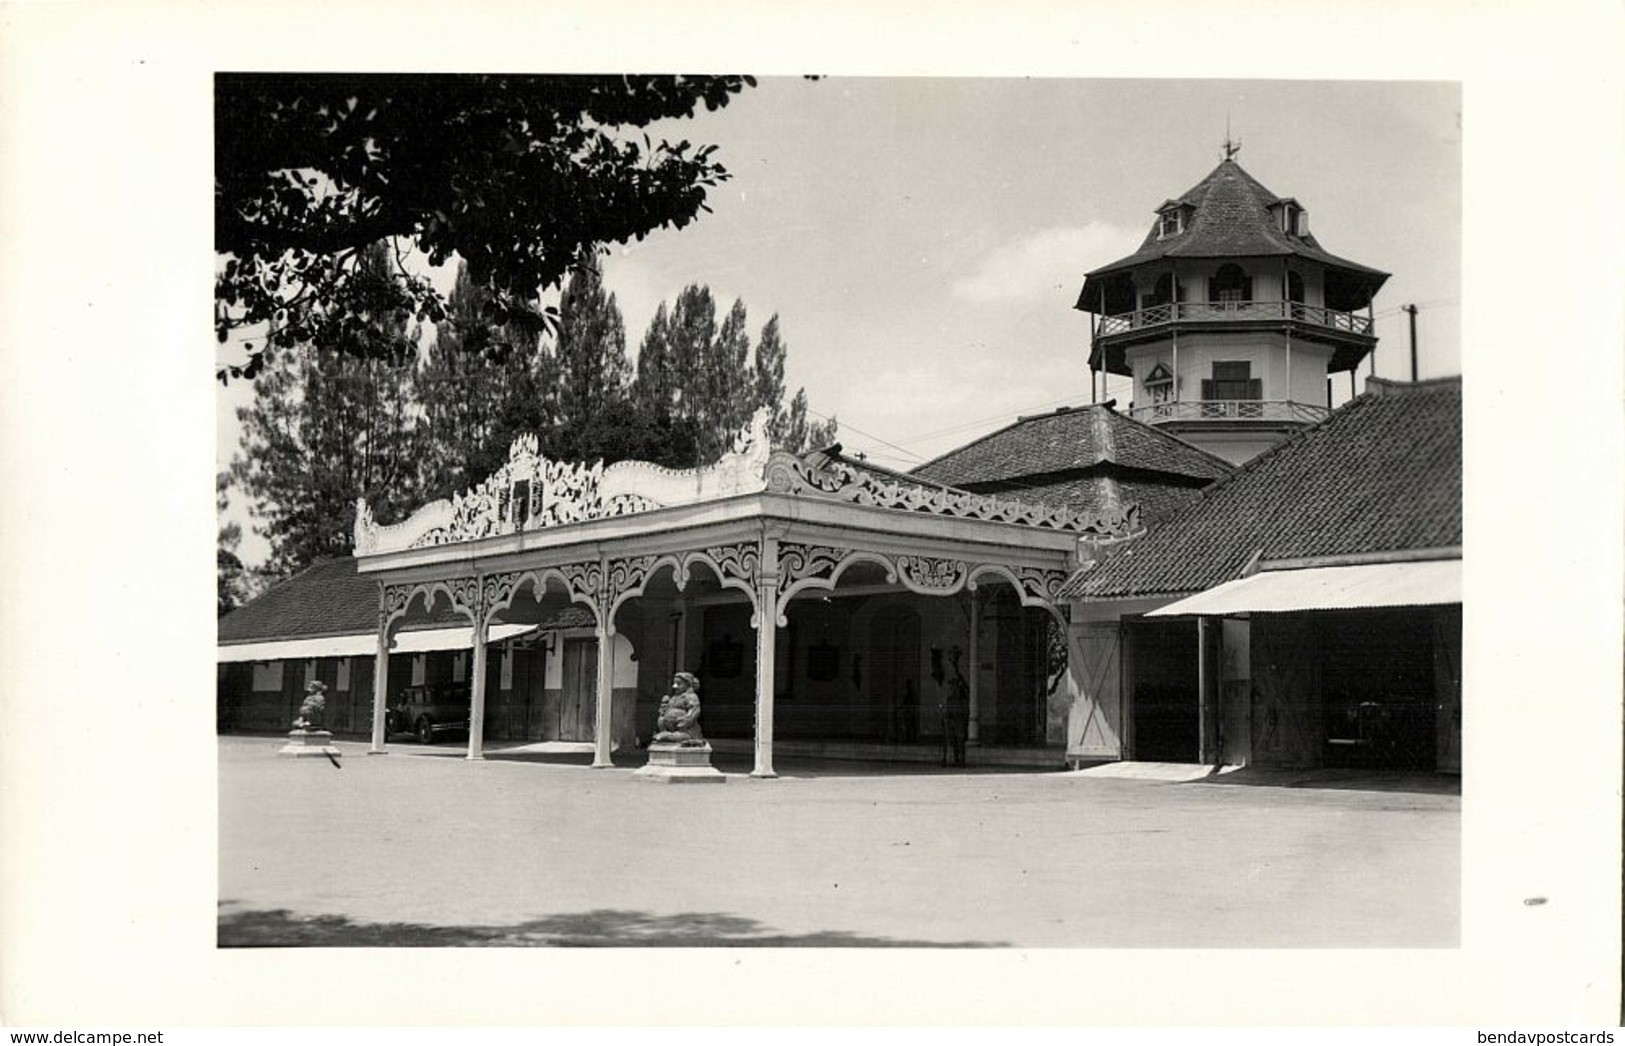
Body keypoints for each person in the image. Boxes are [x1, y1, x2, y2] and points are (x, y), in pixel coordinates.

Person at [653, 672, 705, 746]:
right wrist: (664, 710)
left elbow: (694, 710)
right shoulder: (674, 697)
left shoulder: (691, 696)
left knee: (679, 736)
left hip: (685, 730)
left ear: (687, 684)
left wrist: (685, 720)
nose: (674, 686)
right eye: (674, 683)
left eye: (678, 683)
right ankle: (666, 733)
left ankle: (668, 736)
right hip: (670, 727)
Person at [939, 648, 969, 767]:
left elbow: (965, 692)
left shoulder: (960, 680)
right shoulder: (948, 681)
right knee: (949, 737)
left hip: (958, 712)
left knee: (959, 738)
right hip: (951, 711)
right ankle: (948, 758)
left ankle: (959, 759)